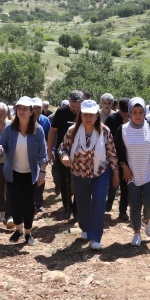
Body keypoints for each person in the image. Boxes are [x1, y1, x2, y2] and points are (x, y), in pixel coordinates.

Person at [58, 100, 119, 250]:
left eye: (91, 115)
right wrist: (64, 157)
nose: (88, 118)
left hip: (100, 172)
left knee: (99, 201)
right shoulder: (72, 131)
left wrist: (116, 172)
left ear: (97, 115)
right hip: (79, 173)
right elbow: (62, 148)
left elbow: (111, 153)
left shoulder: (105, 131)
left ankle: (95, 236)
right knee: (83, 204)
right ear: (81, 115)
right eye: (85, 114)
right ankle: (85, 227)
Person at [113, 98, 150, 246]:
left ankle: (146, 220)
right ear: (130, 113)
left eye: (140, 112)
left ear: (144, 112)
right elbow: (117, 151)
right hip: (131, 173)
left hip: (149, 171)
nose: (138, 115)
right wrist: (124, 166)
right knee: (134, 204)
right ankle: (136, 233)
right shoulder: (123, 129)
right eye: (134, 112)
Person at [0, 97, 48, 245]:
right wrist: (0, 149)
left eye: (25, 109)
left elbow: (42, 154)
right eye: (19, 108)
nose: (22, 111)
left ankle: (28, 232)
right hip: (13, 172)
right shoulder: (9, 129)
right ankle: (18, 230)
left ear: (32, 112)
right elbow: (2, 145)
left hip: (31, 173)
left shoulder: (38, 131)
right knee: (15, 201)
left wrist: (43, 172)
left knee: (28, 203)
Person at [47, 91, 83, 219]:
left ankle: (76, 207)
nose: (75, 110)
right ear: (69, 102)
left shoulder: (85, 113)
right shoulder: (61, 112)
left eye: (78, 107)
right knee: (64, 180)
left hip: (81, 153)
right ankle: (66, 206)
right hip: (63, 152)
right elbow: (53, 131)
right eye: (73, 107)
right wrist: (49, 149)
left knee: (79, 181)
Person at [103, 97, 130, 220]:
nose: (125, 113)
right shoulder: (111, 119)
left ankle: (123, 210)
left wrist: (129, 126)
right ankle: (110, 201)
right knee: (113, 183)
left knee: (125, 185)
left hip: (128, 156)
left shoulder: (134, 119)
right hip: (112, 156)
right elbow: (106, 138)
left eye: (127, 110)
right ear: (118, 107)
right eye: (123, 110)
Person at [32, 99, 52, 212]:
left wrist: (50, 150)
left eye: (38, 108)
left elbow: (50, 136)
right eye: (34, 108)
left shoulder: (45, 121)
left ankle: (38, 202)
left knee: (41, 175)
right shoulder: (24, 121)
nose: (36, 110)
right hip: (29, 153)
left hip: (41, 153)